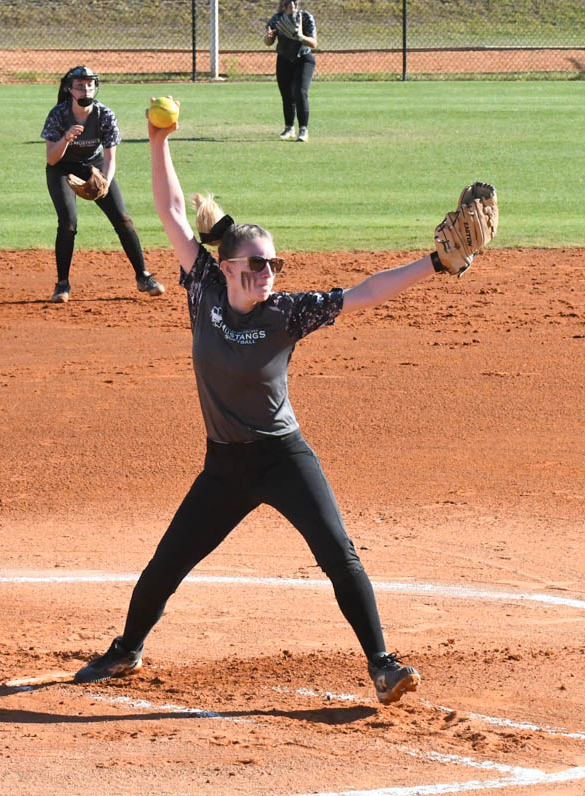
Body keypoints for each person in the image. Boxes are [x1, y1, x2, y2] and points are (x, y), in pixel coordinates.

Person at [72, 100, 479, 707]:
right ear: (230, 265)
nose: (270, 273)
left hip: (283, 459)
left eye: (275, 264)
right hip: (224, 467)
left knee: (338, 554)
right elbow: (173, 212)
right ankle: (127, 647)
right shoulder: (204, 289)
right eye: (259, 264)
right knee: (168, 563)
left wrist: (436, 264)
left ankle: (383, 664)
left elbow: (364, 291)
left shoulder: (286, 313)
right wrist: (158, 140)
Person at [41, 65, 164, 303]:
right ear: (70, 89)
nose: (86, 89)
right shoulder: (58, 114)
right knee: (68, 223)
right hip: (61, 168)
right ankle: (62, 284)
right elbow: (51, 158)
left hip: (94, 167)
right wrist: (66, 137)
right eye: (80, 85)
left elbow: (110, 157)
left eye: (90, 84)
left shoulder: (104, 114)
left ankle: (143, 276)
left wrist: (105, 181)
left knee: (122, 218)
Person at [265, 0, 317, 142]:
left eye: (294, 2)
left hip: (304, 58)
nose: (292, 4)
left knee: (300, 92)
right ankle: (289, 128)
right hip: (284, 59)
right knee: (287, 95)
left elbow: (314, 43)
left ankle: (303, 130)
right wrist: (268, 37)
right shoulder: (277, 19)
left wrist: (300, 37)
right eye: (288, 2)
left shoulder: (305, 17)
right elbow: (268, 42)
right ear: (283, 4)